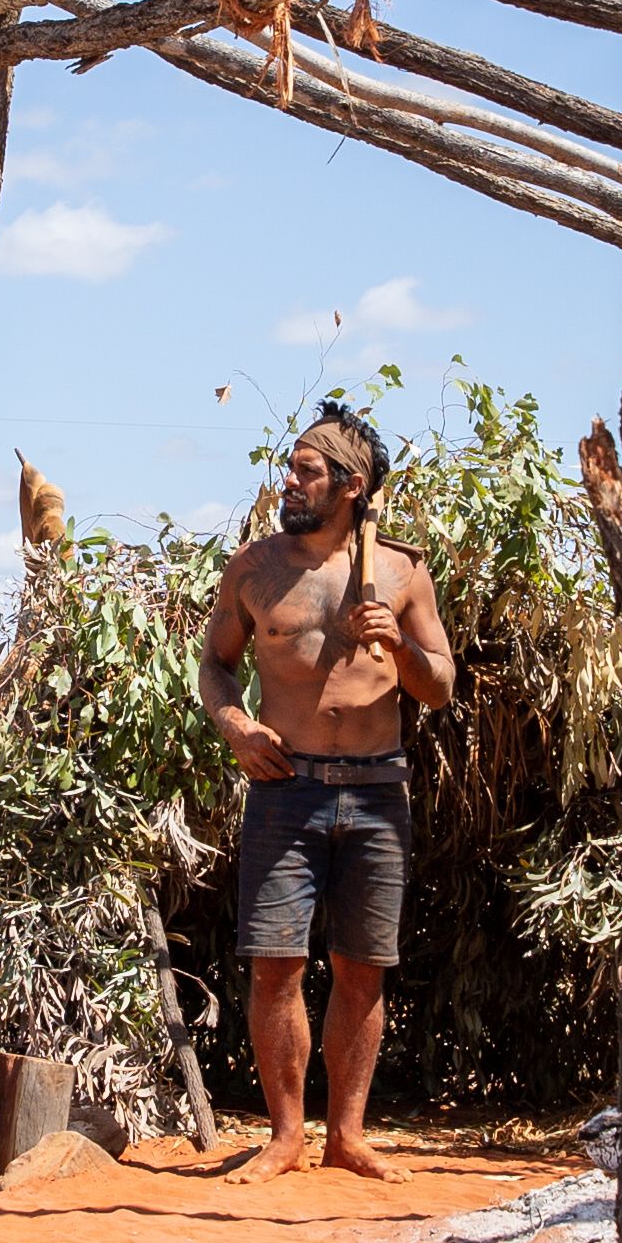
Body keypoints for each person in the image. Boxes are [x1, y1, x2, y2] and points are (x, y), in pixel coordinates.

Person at [198, 401, 461, 1176]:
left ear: (349, 485)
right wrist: (235, 727)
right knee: (275, 965)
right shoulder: (255, 568)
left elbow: (440, 685)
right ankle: (286, 1138)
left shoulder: (402, 571)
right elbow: (216, 664)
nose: (288, 481)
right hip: (287, 788)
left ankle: (347, 1135)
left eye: (305, 471)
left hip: (379, 793)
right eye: (290, 468)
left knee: (362, 967)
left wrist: (399, 646)